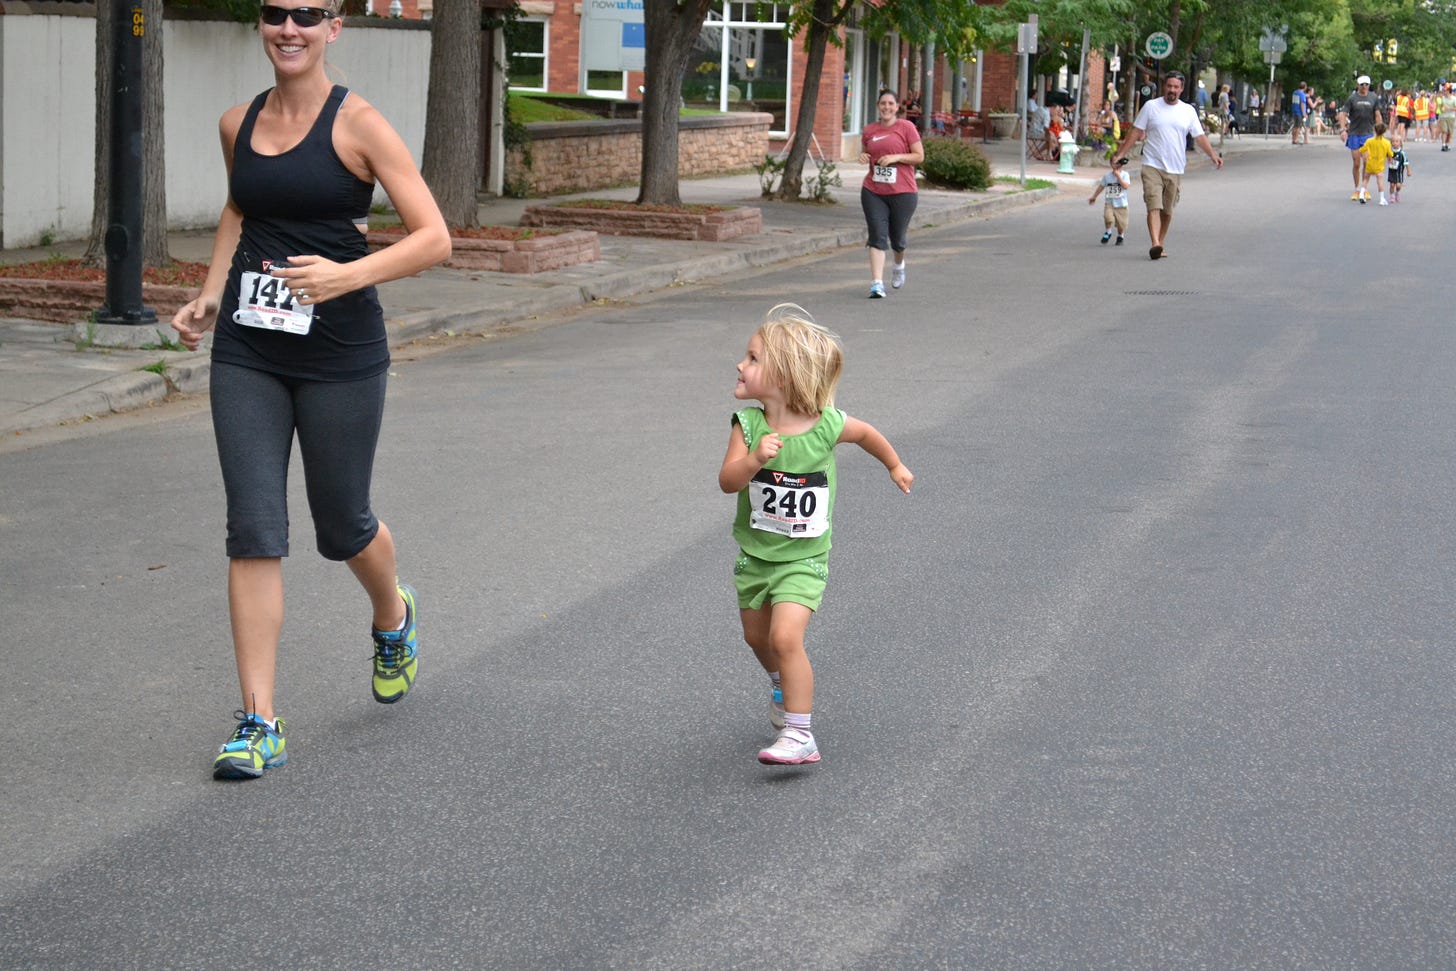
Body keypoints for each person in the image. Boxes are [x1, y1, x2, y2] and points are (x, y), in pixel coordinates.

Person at [171, 0, 451, 780]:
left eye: (307, 13)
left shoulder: (360, 125)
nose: (287, 28)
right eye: (274, 13)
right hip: (247, 351)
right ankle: (259, 720)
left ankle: (393, 614)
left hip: (342, 354)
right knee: (254, 525)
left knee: (342, 525)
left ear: (334, 28)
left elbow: (435, 235)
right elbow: (240, 206)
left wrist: (348, 274)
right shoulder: (238, 123)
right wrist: (209, 290)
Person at [718, 304, 913, 766]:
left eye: (752, 358)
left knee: (786, 638)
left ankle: (800, 733)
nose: (740, 365)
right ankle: (782, 684)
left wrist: (894, 464)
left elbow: (866, 434)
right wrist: (753, 461)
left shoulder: (826, 425)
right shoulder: (748, 427)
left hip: (804, 559)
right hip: (755, 557)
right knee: (757, 639)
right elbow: (728, 481)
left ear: (783, 377)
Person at [1110, 71, 1224, 261]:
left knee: (1167, 210)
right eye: (1169, 86)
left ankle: (1160, 243)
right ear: (1164, 86)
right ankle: (1155, 243)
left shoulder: (1188, 111)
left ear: (1181, 89)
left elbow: (1199, 136)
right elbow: (1136, 132)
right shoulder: (1151, 107)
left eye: (1175, 87)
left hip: (1175, 167)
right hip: (1152, 164)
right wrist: (1121, 154)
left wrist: (1212, 155)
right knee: (1153, 204)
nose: (1172, 90)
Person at [857, 89, 923, 298]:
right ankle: (877, 283)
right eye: (883, 103)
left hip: (903, 192)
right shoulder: (870, 130)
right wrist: (863, 157)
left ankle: (899, 264)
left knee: (898, 239)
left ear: (897, 107)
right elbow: (867, 153)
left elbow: (919, 156)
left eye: (890, 104)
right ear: (878, 105)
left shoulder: (906, 127)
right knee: (877, 235)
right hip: (873, 190)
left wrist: (895, 158)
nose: (886, 107)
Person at [1338, 76, 1384, 201]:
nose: (1364, 87)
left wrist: (1379, 131)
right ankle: (1357, 189)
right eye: (1362, 84)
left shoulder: (1373, 97)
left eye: (1366, 84)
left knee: (1367, 162)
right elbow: (1343, 114)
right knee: (1356, 162)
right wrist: (1342, 130)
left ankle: (1364, 189)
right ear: (1358, 85)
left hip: (1368, 134)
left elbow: (1377, 114)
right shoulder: (1352, 98)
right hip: (1354, 133)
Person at [1089, 156, 1130, 246]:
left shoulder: (1125, 175)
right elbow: (1101, 186)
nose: (1117, 165)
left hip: (1121, 203)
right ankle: (1108, 232)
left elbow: (1126, 186)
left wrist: (1118, 176)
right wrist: (1094, 196)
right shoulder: (1107, 176)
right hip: (1110, 202)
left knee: (1121, 224)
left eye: (1119, 163)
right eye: (1115, 163)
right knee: (1108, 217)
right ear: (1111, 164)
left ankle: (1120, 236)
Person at [1358, 122, 1393, 204]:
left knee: (1366, 179)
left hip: (1370, 163)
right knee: (1379, 181)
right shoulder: (1386, 142)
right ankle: (1381, 198)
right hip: (1379, 165)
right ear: (1384, 131)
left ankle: (1361, 194)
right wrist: (1390, 158)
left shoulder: (1369, 141)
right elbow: (1390, 154)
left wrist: (1362, 155)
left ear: (1375, 130)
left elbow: (1362, 149)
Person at [1386, 133, 1409, 202]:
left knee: (1398, 185)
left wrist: (1408, 170)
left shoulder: (1402, 153)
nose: (1394, 143)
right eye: (1393, 141)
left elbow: (1406, 162)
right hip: (1392, 170)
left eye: (1397, 141)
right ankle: (1392, 195)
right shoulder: (1390, 151)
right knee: (1392, 185)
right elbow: (1386, 156)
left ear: (1400, 143)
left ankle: (1397, 193)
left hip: (1399, 171)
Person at [1438, 86, 1456, 151]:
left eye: (1445, 91)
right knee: (1444, 131)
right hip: (1443, 117)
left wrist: (1450, 108)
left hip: (1451, 117)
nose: (1444, 92)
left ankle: (1447, 144)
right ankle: (1443, 145)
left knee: (1450, 132)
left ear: (1448, 91)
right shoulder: (1442, 98)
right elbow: (1440, 106)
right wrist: (1441, 108)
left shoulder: (1454, 99)